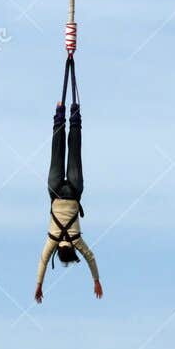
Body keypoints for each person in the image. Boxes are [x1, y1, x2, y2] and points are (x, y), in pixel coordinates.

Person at [36, 99, 103, 304]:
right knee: (57, 148)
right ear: (60, 250)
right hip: (56, 191)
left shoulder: (77, 241)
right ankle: (59, 112)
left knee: (74, 149)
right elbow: (43, 262)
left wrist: (97, 280)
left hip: (73, 191)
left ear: (71, 251)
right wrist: (38, 285)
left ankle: (74, 113)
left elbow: (91, 258)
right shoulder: (53, 240)